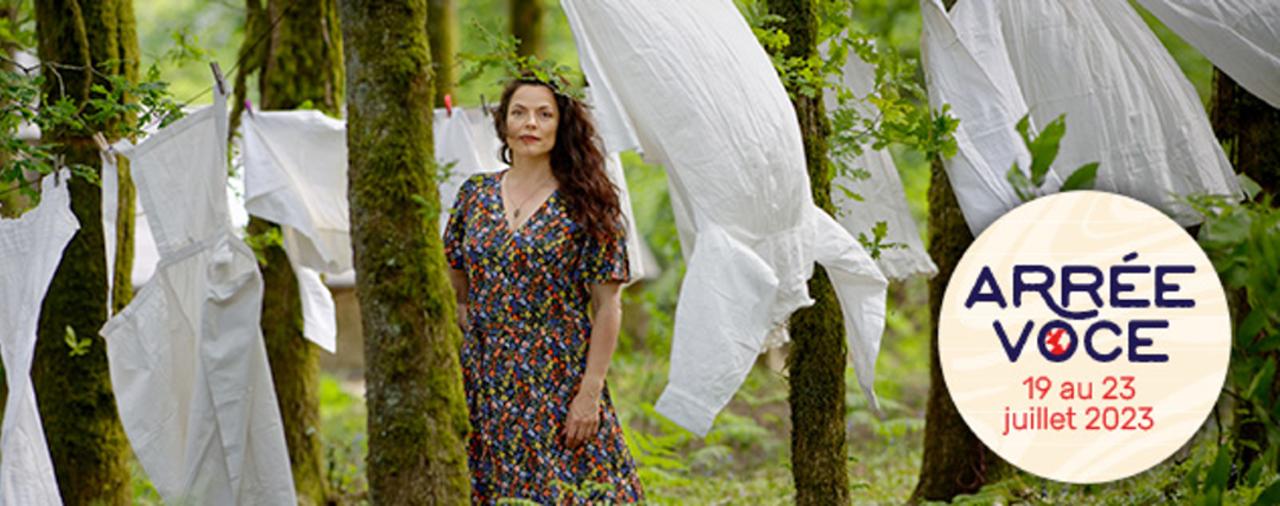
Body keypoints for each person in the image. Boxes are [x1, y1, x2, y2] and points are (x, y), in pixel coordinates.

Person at [444, 77, 644, 504]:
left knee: (578, 492)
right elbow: (455, 270)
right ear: (502, 124)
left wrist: (590, 391)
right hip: (487, 377)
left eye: (543, 114)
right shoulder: (474, 196)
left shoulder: (587, 202)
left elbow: (608, 306)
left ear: (561, 126)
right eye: (518, 112)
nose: (529, 123)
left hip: (559, 376)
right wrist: (468, 315)